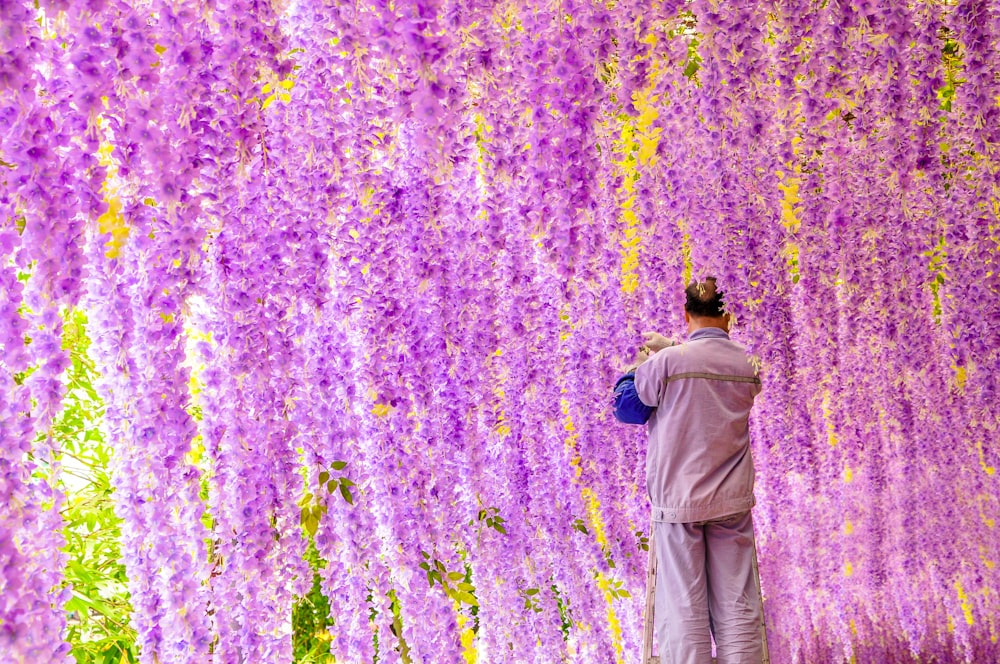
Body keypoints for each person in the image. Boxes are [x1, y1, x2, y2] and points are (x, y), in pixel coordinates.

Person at [614, 278, 766, 664]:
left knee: (683, 604)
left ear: (685, 315)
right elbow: (708, 367)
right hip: (731, 501)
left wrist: (640, 366)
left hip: (679, 502)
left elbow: (626, 408)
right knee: (737, 602)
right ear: (728, 315)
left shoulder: (668, 363)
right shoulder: (748, 363)